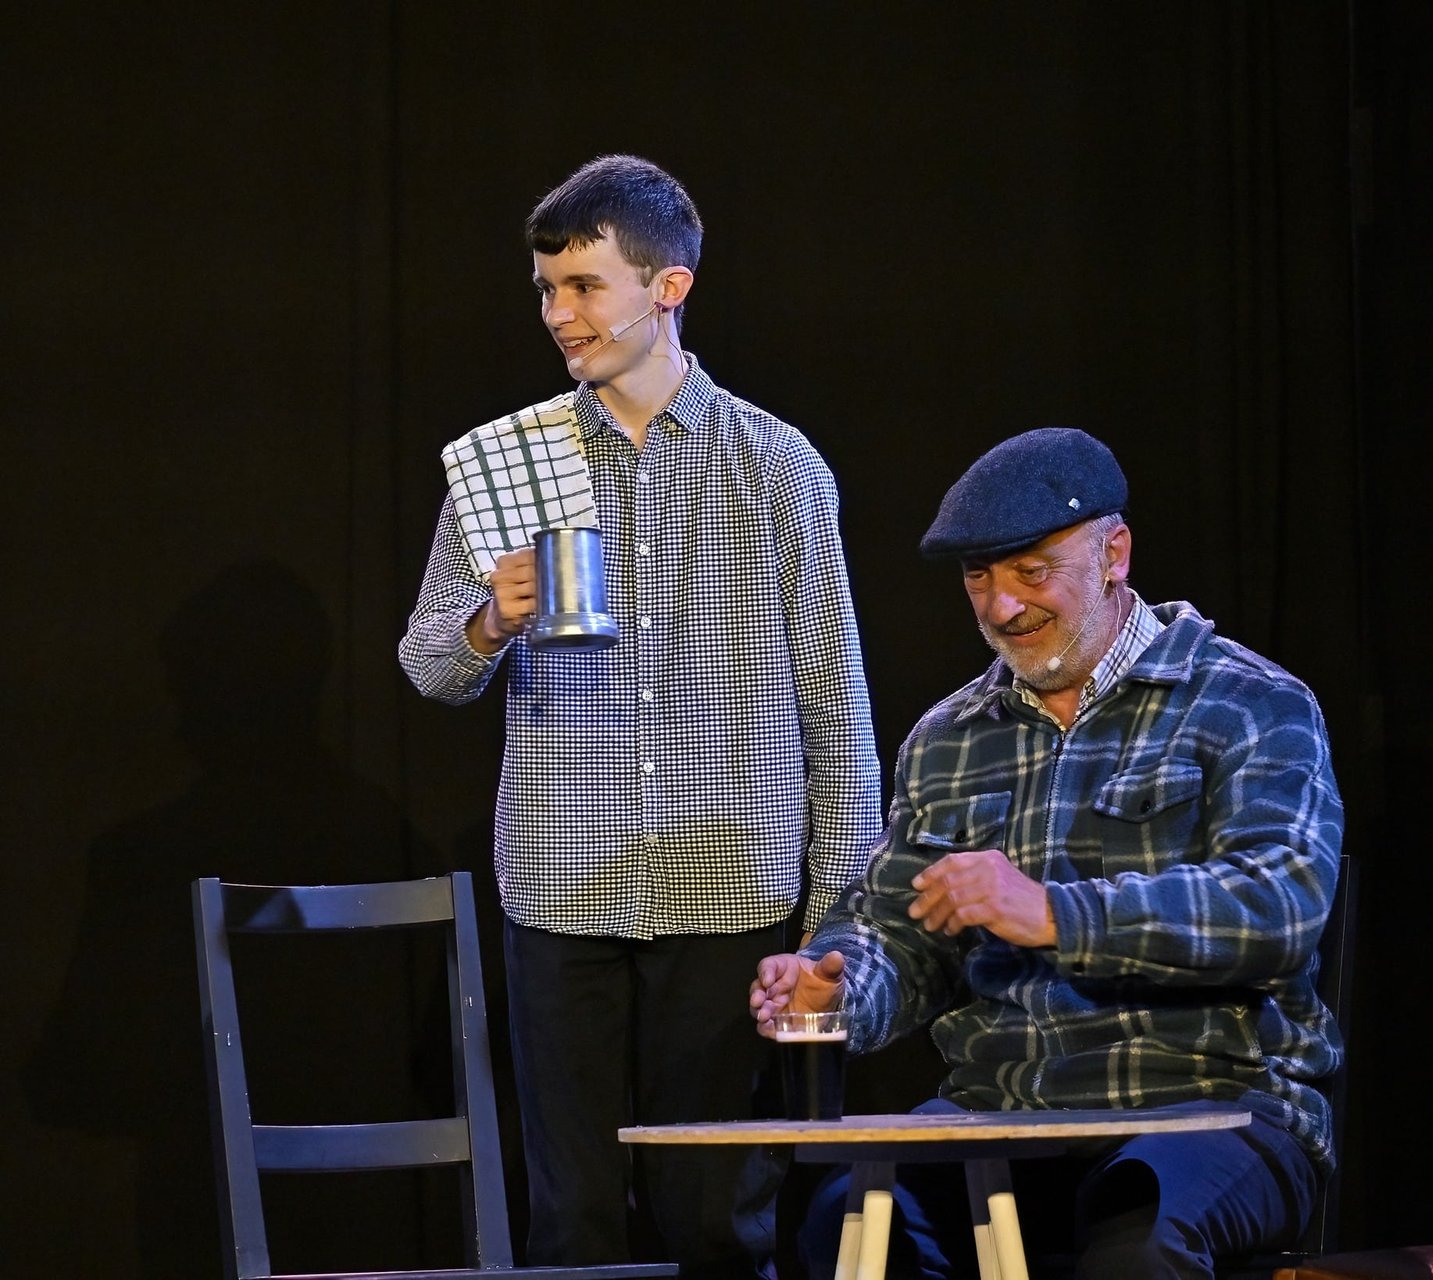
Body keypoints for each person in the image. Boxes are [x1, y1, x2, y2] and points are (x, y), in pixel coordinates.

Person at [399, 154, 881, 1280]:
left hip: (729, 887)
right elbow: (428, 665)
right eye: (546, 289)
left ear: (668, 288)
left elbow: (835, 704)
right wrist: (491, 619)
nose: (559, 314)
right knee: (573, 1227)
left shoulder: (776, 467)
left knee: (715, 1222)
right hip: (564, 885)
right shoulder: (509, 461)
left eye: (584, 286)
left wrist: (837, 917)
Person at [749, 427, 1344, 1279]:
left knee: (1136, 1241)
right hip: (999, 1117)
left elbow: (1277, 908)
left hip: (1209, 1109)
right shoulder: (950, 738)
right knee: (846, 1219)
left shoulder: (1247, 703)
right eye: (978, 577)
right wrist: (837, 986)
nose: (1001, 608)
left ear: (1114, 554)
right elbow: (895, 932)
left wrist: (1055, 914)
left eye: (1031, 572)